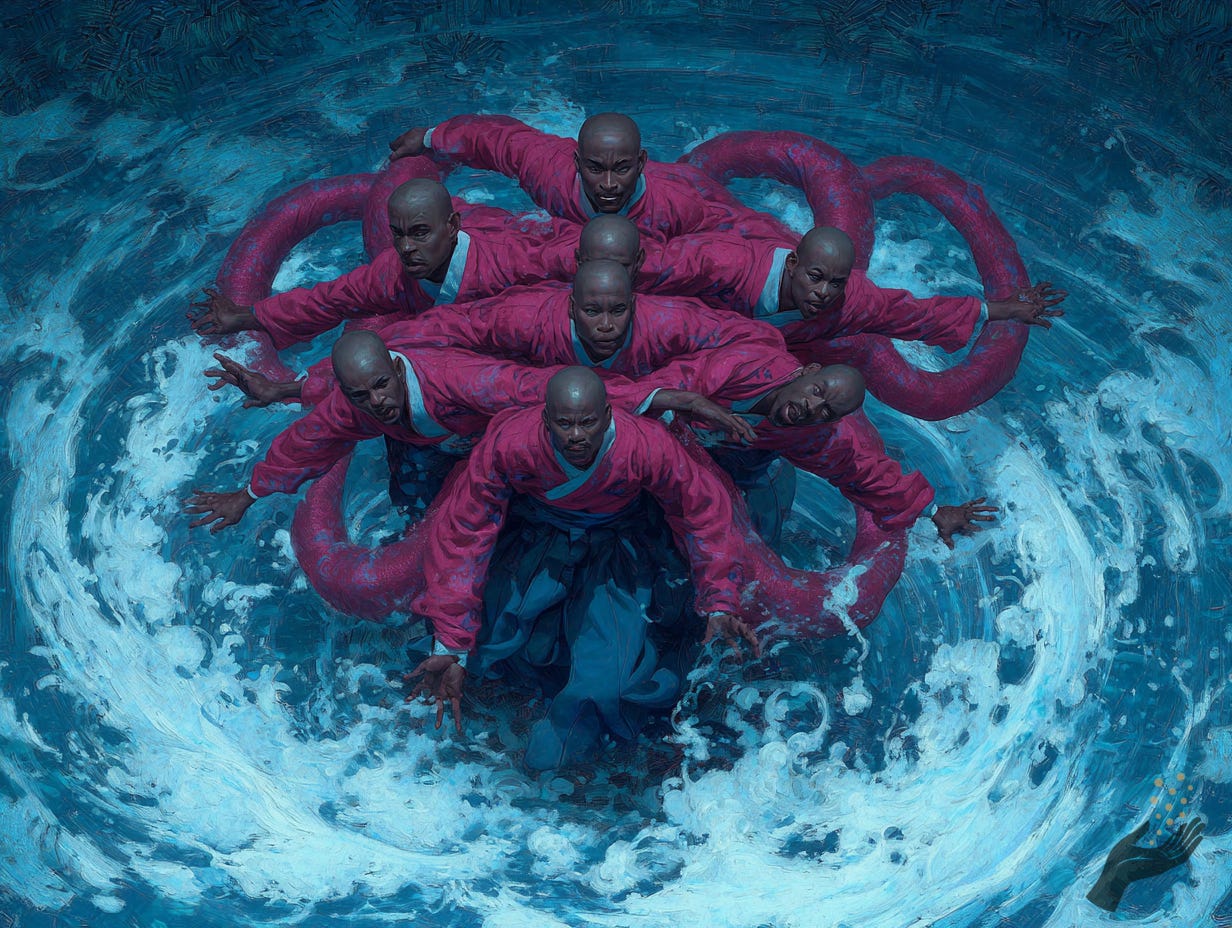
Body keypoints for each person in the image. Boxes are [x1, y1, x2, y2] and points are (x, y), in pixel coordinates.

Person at [404, 367, 759, 770]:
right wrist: (451, 645)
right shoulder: (510, 443)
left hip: (618, 545)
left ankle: (567, 762)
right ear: (545, 419)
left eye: (588, 422)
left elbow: (701, 512)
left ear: (608, 416)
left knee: (611, 675)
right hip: (539, 535)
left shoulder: (647, 445)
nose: (576, 436)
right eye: (565, 423)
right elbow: (467, 532)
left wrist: (720, 599)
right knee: (492, 639)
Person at [206, 261, 771, 443]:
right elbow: (412, 343)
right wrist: (283, 375)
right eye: (591, 310)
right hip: (500, 403)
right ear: (570, 307)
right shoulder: (511, 324)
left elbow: (731, 340)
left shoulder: (671, 321)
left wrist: (679, 398)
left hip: (595, 406)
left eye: (616, 310)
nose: (604, 323)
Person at [184, 331, 572, 531]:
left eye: (382, 386)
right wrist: (247, 495)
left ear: (398, 372)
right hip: (422, 442)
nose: (377, 401)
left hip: (485, 430)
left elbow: (536, 389)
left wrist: (630, 403)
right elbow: (303, 445)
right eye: (362, 396)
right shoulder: (356, 403)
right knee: (413, 503)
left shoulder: (464, 381)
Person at [632, 342, 996, 548]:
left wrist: (934, 512)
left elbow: (861, 470)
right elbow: (667, 378)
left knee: (751, 541)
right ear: (807, 373)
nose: (811, 407)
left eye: (825, 411)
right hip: (672, 436)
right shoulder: (741, 365)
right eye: (817, 392)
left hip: (746, 470)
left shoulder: (813, 431)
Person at [188, 178, 579, 350]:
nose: (407, 248)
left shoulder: (514, 261)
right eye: (398, 234)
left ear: (452, 228)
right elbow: (330, 298)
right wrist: (246, 316)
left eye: (420, 234)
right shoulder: (393, 272)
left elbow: (568, 259)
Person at [643, 225, 1067, 352]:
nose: (824, 292)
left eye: (836, 283)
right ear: (792, 265)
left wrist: (1002, 310)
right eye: (815, 278)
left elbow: (912, 313)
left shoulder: (852, 300)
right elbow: (654, 269)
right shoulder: (723, 262)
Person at [389, 112, 790, 242]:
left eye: (622, 169)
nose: (610, 185)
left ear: (642, 162)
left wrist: (798, 257)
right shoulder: (550, 171)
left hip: (686, 185)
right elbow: (496, 139)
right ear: (578, 163)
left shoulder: (676, 209)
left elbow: (742, 229)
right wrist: (429, 138)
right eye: (596, 169)